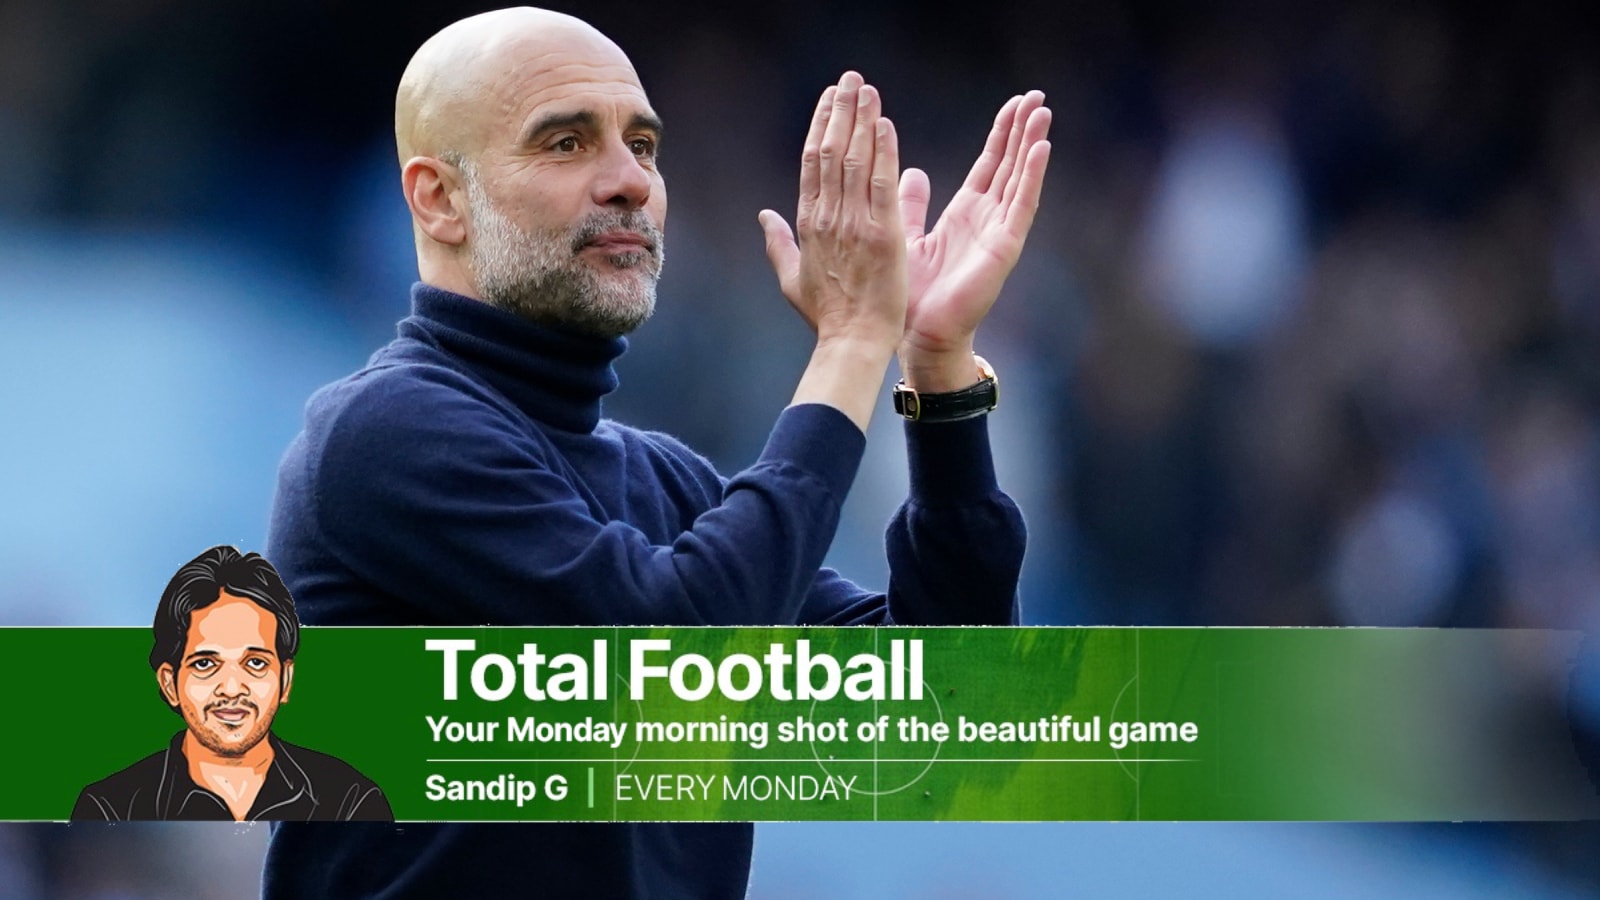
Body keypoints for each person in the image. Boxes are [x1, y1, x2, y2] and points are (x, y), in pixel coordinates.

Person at [264, 5, 1049, 897]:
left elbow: (950, 721)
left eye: (642, 144)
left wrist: (936, 369)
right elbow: (674, 669)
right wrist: (849, 346)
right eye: (565, 143)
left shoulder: (669, 485)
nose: (629, 181)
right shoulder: (381, 435)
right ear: (440, 197)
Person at [71, 546, 391, 822]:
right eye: (206, 664)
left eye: (255, 663)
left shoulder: (351, 798)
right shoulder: (110, 806)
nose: (232, 688)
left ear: (286, 679)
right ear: (169, 683)